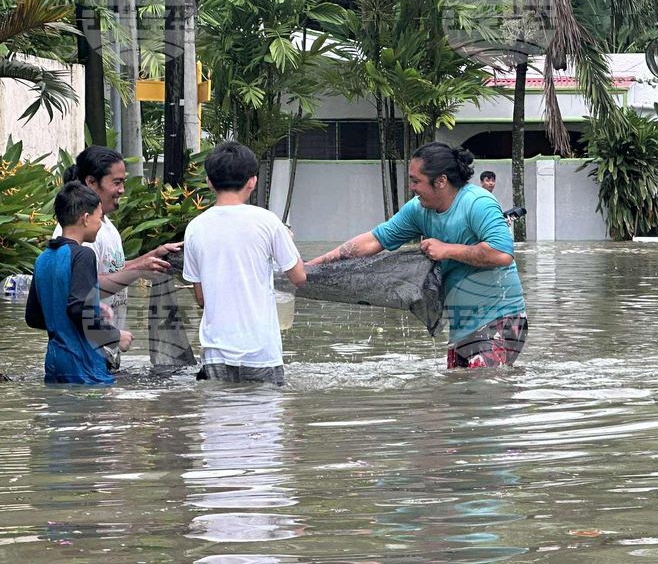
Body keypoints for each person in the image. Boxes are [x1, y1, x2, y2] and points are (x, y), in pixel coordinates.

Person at [307, 142, 527, 369]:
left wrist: (447, 249)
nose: (412, 186)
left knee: (480, 388)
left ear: (440, 181)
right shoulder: (419, 209)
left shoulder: (477, 203)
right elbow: (373, 240)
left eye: (416, 180)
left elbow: (502, 254)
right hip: (462, 328)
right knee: (458, 397)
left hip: (503, 320)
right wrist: (307, 270)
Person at [182, 142, 306, 385]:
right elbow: (299, 276)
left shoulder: (195, 228)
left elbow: (201, 299)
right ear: (252, 181)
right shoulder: (268, 222)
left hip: (215, 354)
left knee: (219, 418)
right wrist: (286, 241)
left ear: (209, 182)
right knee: (263, 418)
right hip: (261, 352)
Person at [56, 146, 181, 333]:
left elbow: (112, 268)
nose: (122, 190)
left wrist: (151, 258)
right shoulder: (78, 231)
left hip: (107, 343)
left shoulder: (106, 225)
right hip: (88, 346)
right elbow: (84, 287)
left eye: (123, 182)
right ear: (91, 182)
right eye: (116, 183)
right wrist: (138, 270)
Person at [25, 182, 133, 384]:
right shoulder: (83, 255)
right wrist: (115, 336)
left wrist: (64, 322)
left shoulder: (43, 259)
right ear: (85, 218)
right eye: (98, 218)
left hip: (54, 363)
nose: (100, 224)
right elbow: (77, 310)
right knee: (93, 412)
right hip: (82, 362)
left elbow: (33, 317)